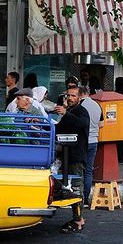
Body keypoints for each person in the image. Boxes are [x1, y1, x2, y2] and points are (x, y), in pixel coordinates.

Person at [53, 85, 89, 233]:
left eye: (73, 95)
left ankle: (79, 219)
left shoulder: (81, 111)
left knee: (76, 188)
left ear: (79, 97)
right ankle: (76, 217)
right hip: (66, 157)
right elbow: (59, 129)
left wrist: (66, 113)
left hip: (76, 157)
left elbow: (82, 123)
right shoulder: (70, 112)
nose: (70, 98)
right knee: (66, 187)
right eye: (68, 95)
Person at [79, 85, 103, 206]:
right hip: (94, 141)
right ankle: (86, 198)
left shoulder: (79, 106)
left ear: (80, 94)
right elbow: (101, 124)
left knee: (78, 169)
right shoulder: (97, 105)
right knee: (88, 171)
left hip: (82, 142)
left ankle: (77, 197)